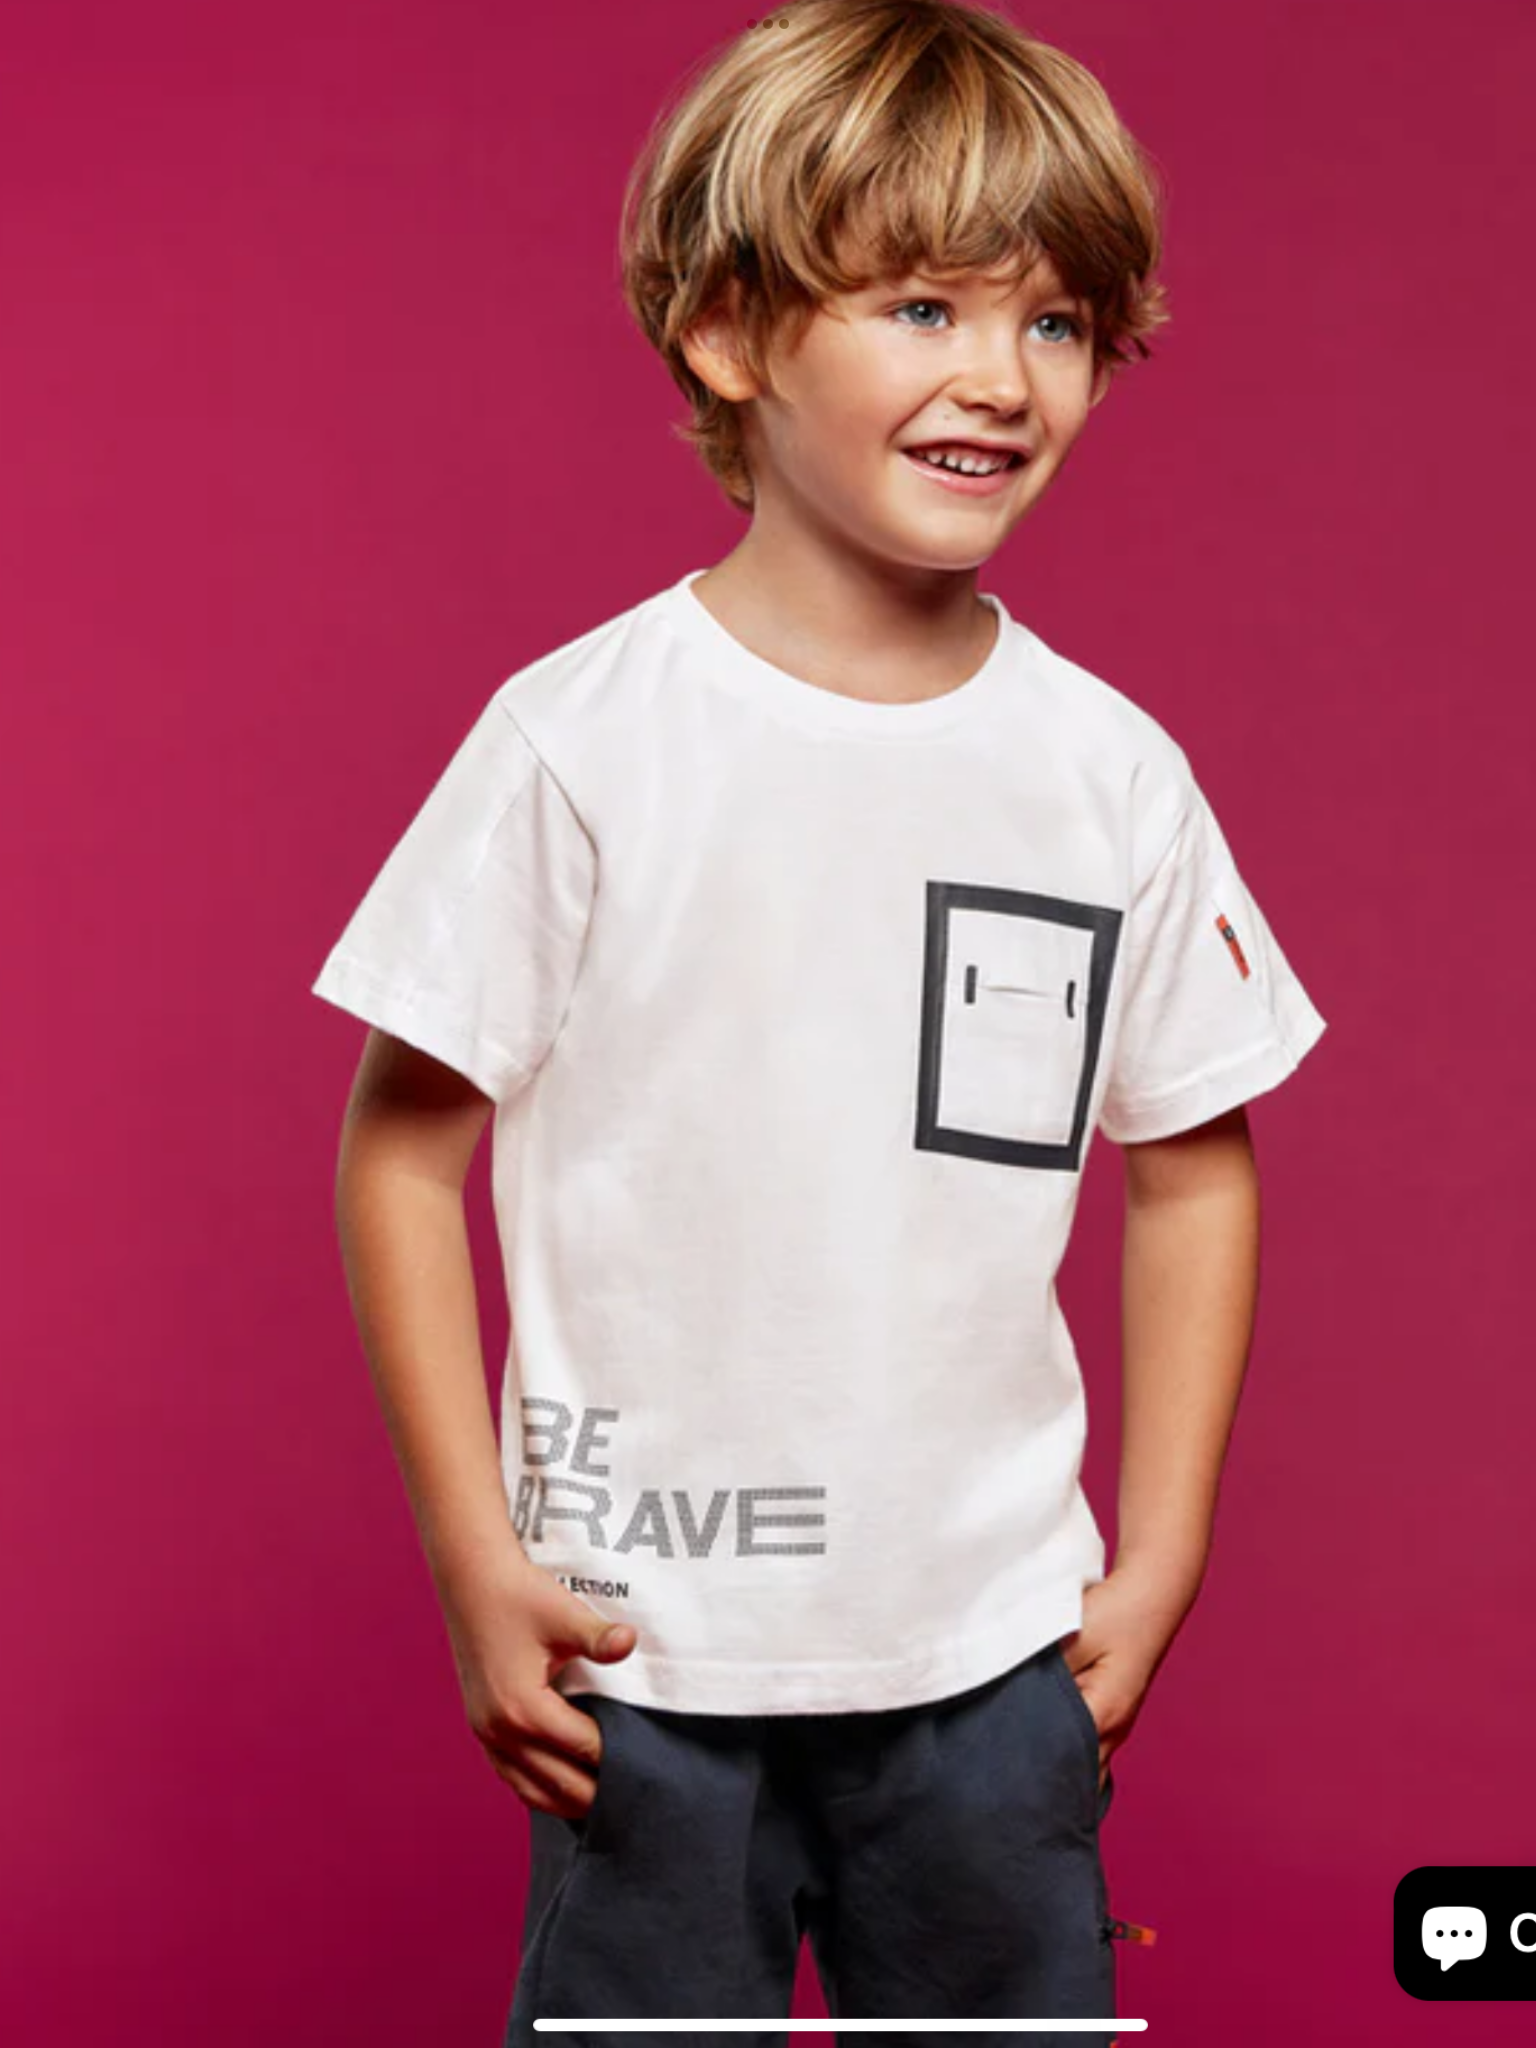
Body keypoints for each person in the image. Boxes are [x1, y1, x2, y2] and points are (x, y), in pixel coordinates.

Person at [310, 3, 1327, 2043]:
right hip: (646, 1649)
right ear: (729, 334)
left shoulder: (1109, 775)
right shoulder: (581, 743)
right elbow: (402, 1147)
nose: (1001, 377)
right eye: (926, 305)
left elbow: (1195, 1164)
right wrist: (474, 1555)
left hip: (992, 1657)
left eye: (1056, 323)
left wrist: (1163, 1555)